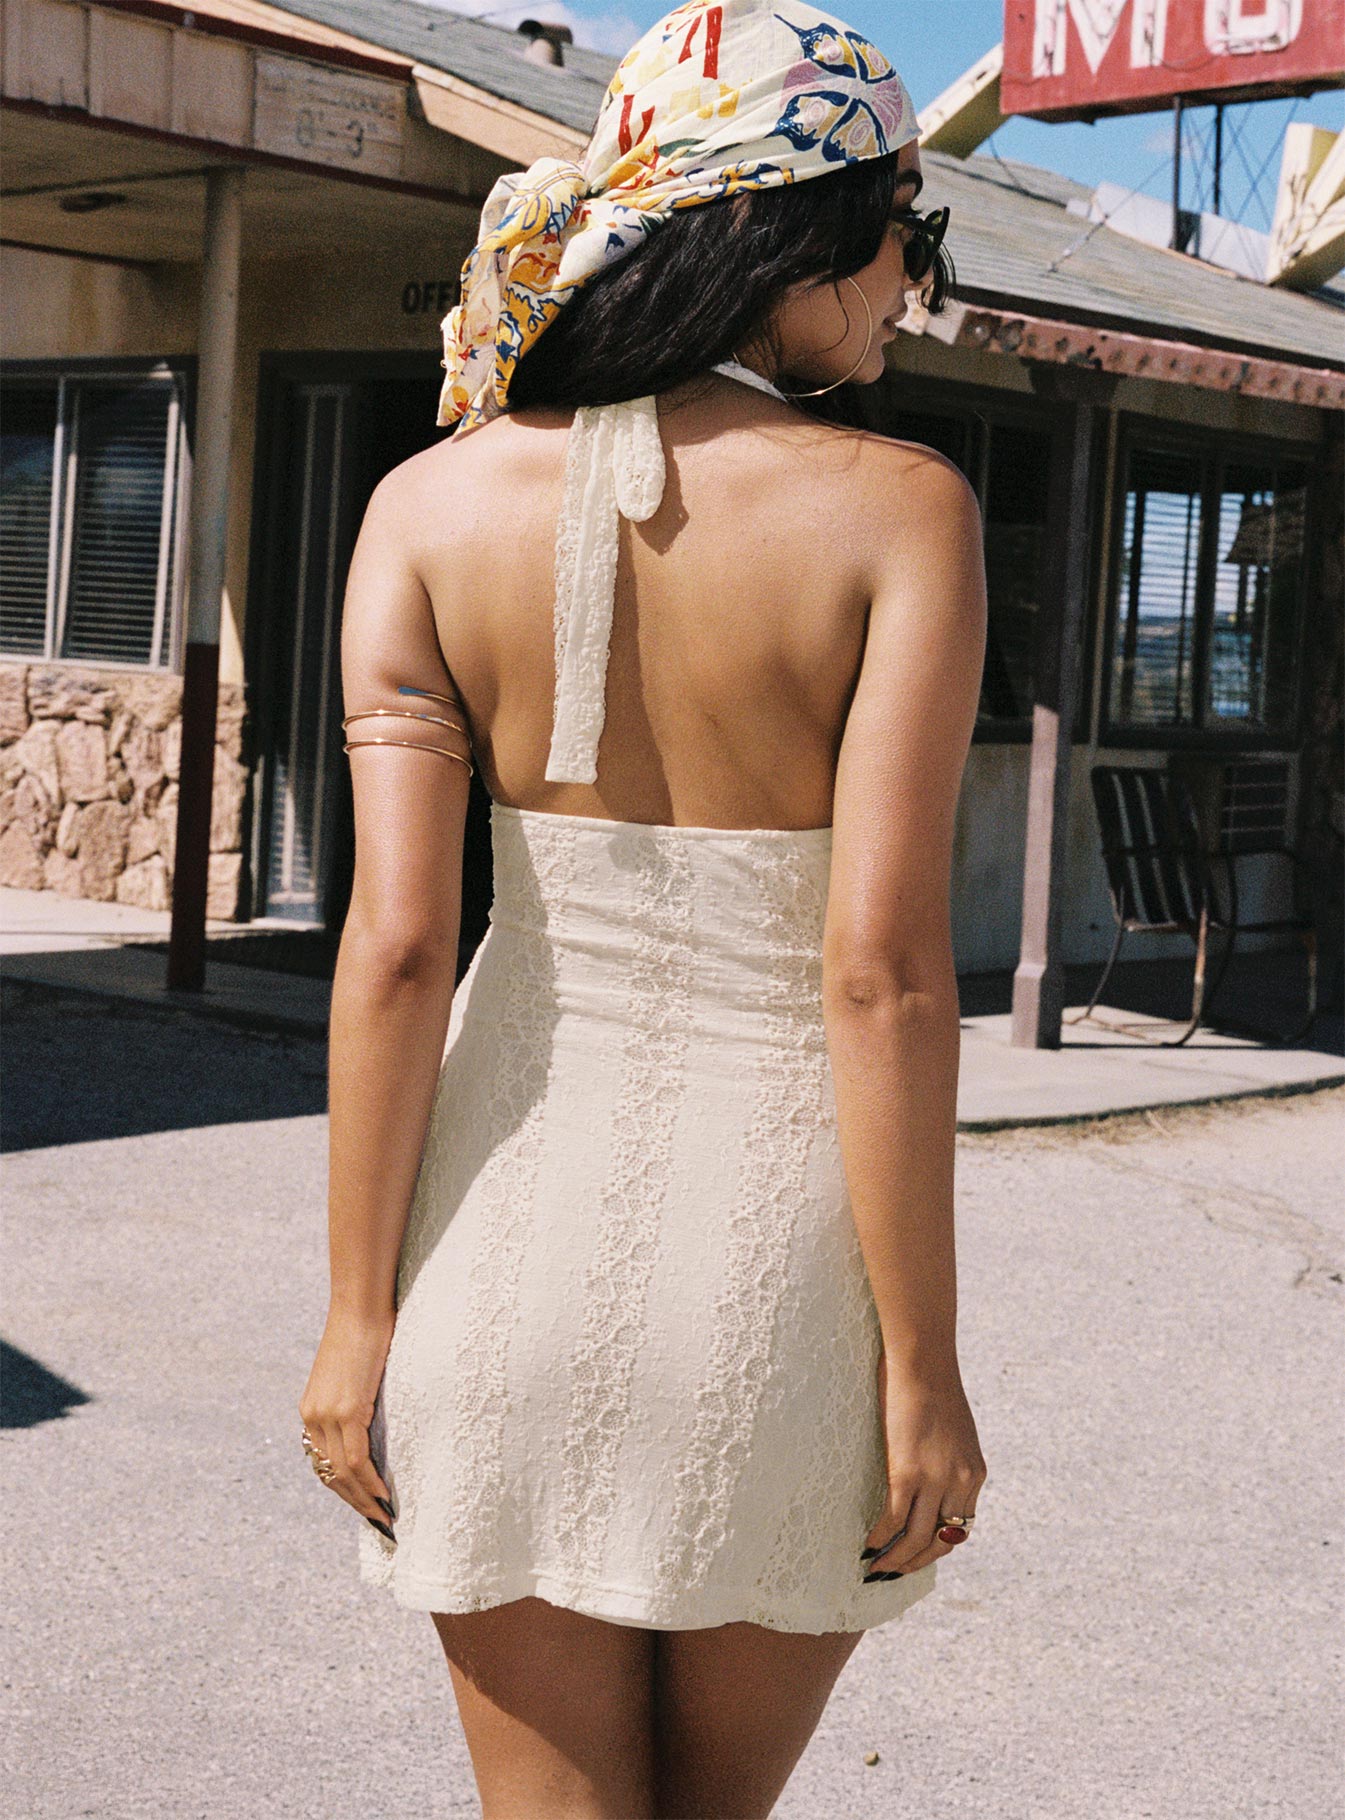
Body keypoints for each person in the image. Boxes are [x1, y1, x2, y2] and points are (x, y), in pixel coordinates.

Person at [299, 3, 989, 1814]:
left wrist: (354, 1319)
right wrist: (920, 1370)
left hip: (485, 1272)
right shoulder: (899, 514)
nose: (913, 288)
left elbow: (392, 950)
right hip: (779, 1292)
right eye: (912, 237)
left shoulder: (420, 506)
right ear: (798, 233)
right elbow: (883, 976)